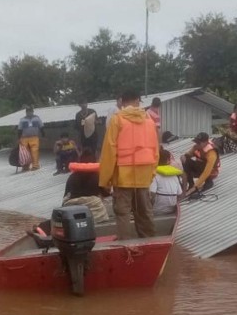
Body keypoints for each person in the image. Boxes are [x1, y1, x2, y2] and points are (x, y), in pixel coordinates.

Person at [99, 89, 159, 239]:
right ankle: (150, 242)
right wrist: (151, 173)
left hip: (123, 176)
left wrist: (105, 179)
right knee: (144, 211)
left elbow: (109, 151)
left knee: (122, 212)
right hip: (144, 175)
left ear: (122, 102)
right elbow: (155, 150)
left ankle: (126, 247)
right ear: (138, 101)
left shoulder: (117, 119)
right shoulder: (149, 121)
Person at [62, 149, 109, 223]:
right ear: (94, 161)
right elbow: (105, 194)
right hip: (95, 213)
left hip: (74, 211)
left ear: (80, 161)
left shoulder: (72, 177)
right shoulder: (97, 176)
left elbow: (66, 196)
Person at [150, 148, 183, 216]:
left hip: (157, 210)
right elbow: (179, 194)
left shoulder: (154, 175)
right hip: (171, 209)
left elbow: (152, 195)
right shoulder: (174, 176)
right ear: (168, 161)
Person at [17, 106, 45, 171]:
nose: (29, 112)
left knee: (34, 151)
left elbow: (41, 127)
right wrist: (19, 138)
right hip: (24, 138)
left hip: (34, 137)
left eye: (30, 111)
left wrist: (43, 135)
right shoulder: (22, 119)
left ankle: (35, 166)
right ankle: (25, 166)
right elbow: (19, 130)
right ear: (26, 112)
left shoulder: (37, 118)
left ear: (33, 111)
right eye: (28, 111)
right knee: (24, 153)